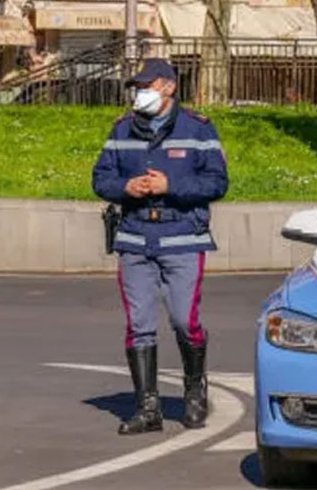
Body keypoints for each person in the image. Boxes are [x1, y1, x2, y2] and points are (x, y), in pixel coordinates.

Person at [92, 58, 229, 435]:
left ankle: (194, 390)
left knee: (185, 320)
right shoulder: (122, 129)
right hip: (135, 239)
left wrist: (172, 187)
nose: (140, 93)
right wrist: (126, 188)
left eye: (146, 86)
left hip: (183, 237)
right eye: (136, 87)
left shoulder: (198, 129)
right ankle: (147, 407)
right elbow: (101, 178)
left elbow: (217, 183)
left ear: (168, 87)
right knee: (139, 325)